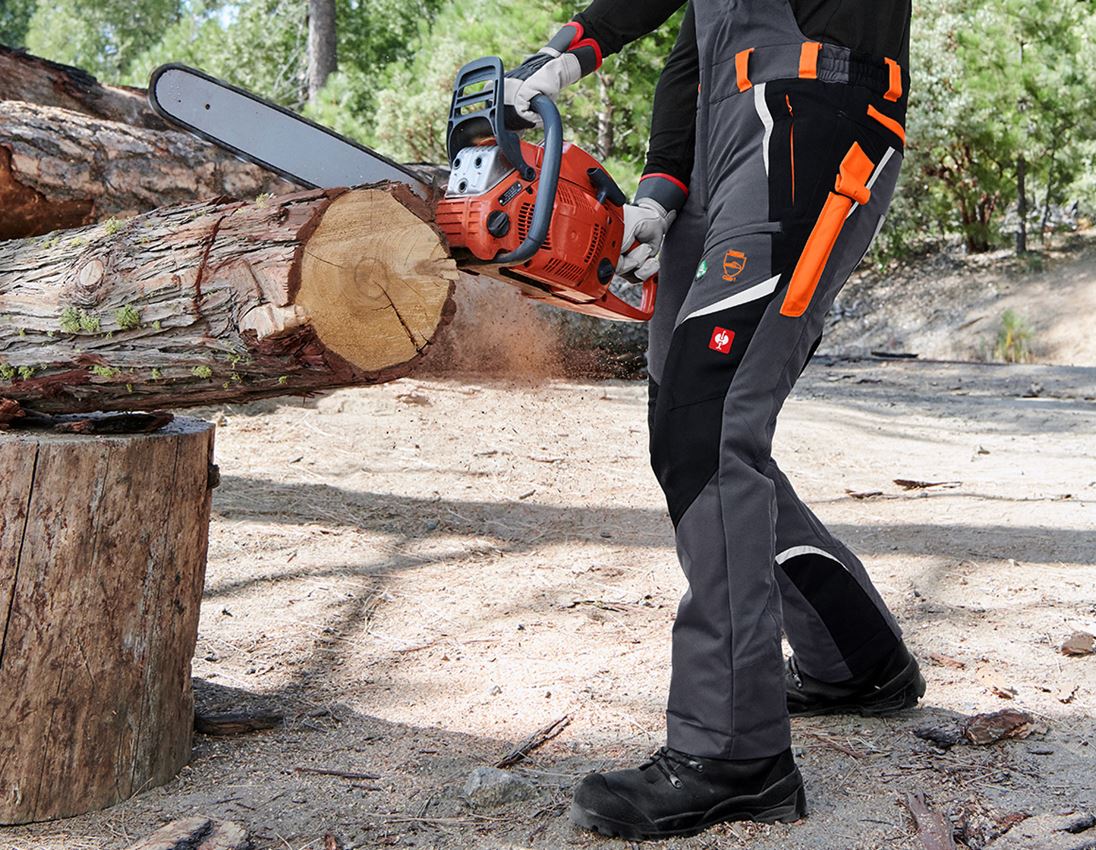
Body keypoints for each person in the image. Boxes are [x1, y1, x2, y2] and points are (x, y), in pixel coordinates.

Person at [504, 0, 922, 840]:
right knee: (686, 410)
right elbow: (697, 50)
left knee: (710, 413)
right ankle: (856, 657)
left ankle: (734, 754)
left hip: (807, 115)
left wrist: (577, 45)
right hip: (724, 141)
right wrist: (660, 191)